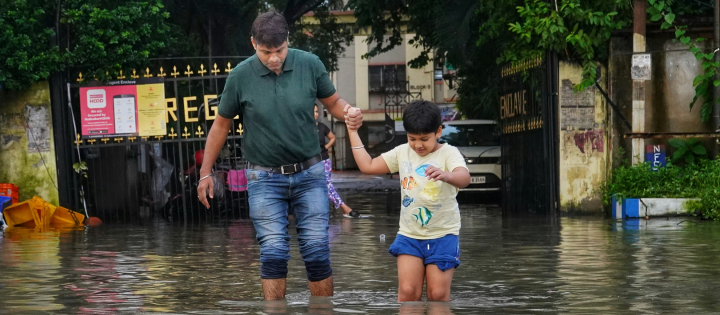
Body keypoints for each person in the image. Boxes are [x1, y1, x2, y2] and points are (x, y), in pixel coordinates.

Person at [196, 11, 363, 300]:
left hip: (310, 174)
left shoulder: (309, 64)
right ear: (253, 44)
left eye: (280, 50)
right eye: (266, 52)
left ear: (288, 41)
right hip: (263, 177)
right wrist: (205, 172)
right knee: (273, 251)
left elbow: (334, 101)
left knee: (316, 250)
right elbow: (221, 125)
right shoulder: (240, 76)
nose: (274, 58)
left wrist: (349, 111)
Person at [344, 100, 469, 302]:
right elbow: (368, 165)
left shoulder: (449, 153)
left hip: (443, 235)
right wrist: (352, 131)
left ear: (438, 132)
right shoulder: (402, 152)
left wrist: (446, 175)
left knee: (437, 294)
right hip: (409, 236)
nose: (418, 145)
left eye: (424, 139)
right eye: (412, 138)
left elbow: (464, 178)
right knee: (408, 293)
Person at [314, 105, 359, 218]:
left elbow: (333, 138)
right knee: (315, 186)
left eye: (316, 111)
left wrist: (325, 147)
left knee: (327, 185)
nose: (314, 114)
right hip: (310, 162)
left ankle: (344, 208)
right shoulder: (303, 128)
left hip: (324, 160)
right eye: (312, 112)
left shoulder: (322, 126)